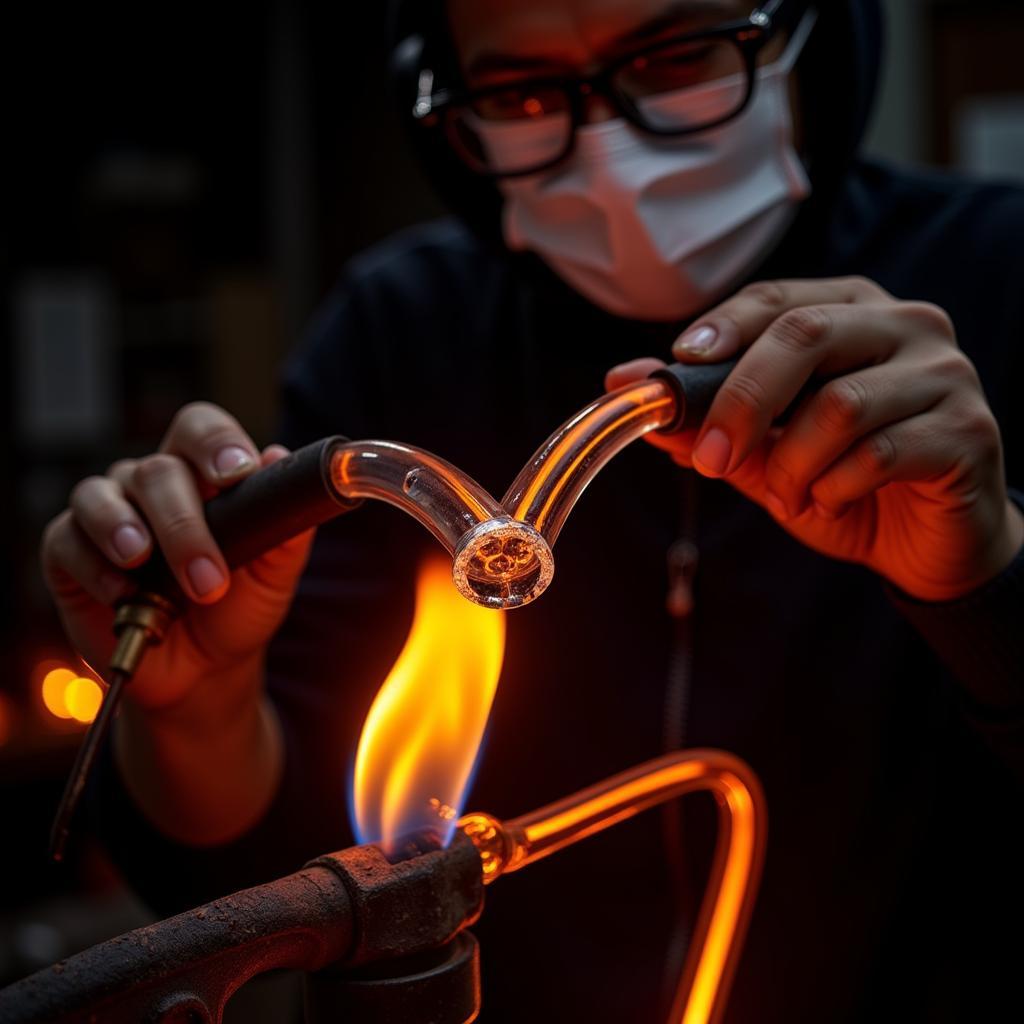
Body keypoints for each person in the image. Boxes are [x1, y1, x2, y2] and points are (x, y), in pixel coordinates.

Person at [40, 0, 1024, 1019]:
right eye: (518, 93)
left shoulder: (997, 278)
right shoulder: (396, 329)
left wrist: (988, 578)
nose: (607, 144)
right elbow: (249, 875)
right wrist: (199, 711)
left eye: (679, 51)